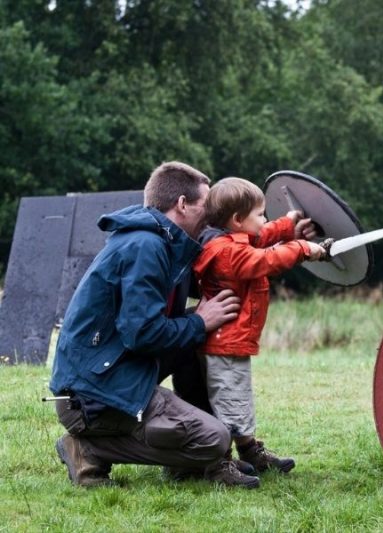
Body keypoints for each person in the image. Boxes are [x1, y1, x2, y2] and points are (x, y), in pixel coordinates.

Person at [50, 161, 261, 489]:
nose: (213, 214)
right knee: (212, 439)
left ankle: (201, 464)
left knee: (196, 339)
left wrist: (285, 239)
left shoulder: (166, 244)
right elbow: (141, 334)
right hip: (92, 395)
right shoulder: (145, 247)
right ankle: (87, 447)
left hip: (114, 369)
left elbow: (225, 264)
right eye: (207, 206)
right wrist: (199, 320)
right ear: (181, 204)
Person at [193, 177, 326, 476]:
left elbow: (260, 236)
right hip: (225, 344)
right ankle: (220, 463)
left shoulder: (231, 240)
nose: (264, 220)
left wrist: (287, 225)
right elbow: (264, 259)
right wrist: (302, 247)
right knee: (230, 405)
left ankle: (250, 451)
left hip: (232, 341)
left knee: (237, 400)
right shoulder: (227, 252)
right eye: (259, 214)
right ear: (237, 220)